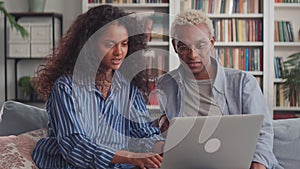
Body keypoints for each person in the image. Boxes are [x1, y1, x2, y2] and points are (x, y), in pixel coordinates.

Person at [32, 5, 164, 169]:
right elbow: (75, 146)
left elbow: (142, 133)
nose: (119, 52)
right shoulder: (66, 87)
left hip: (118, 164)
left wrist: (165, 148)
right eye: (110, 44)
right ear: (88, 45)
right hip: (71, 164)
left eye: (124, 44)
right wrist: (130, 157)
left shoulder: (127, 86)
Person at [155, 9, 278, 169]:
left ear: (211, 43)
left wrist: (258, 164)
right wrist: (160, 126)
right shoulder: (165, 84)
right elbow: (166, 131)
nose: (193, 55)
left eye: (200, 45)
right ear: (174, 46)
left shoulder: (242, 82)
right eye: (184, 47)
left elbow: (263, 132)